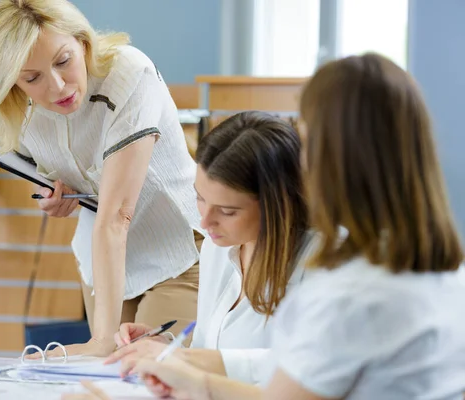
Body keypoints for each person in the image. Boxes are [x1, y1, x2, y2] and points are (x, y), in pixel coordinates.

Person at [65, 53, 465, 399]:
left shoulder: (351, 290)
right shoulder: (442, 271)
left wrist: (183, 369)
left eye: (307, 142)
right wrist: (178, 361)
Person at [0, 0, 202, 356]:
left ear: (83, 41)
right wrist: (53, 191)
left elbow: (116, 216)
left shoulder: (130, 74)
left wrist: (100, 342)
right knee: (102, 380)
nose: (57, 86)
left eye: (63, 61)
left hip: (176, 251)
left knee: (144, 372)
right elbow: (65, 169)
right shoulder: (19, 107)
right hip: (105, 265)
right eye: (31, 78)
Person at [103, 111, 313, 385]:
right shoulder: (218, 249)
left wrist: (186, 361)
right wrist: (167, 346)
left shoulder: (321, 262)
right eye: (199, 198)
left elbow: (312, 367)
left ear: (277, 205)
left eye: (227, 211)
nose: (205, 221)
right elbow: (209, 349)